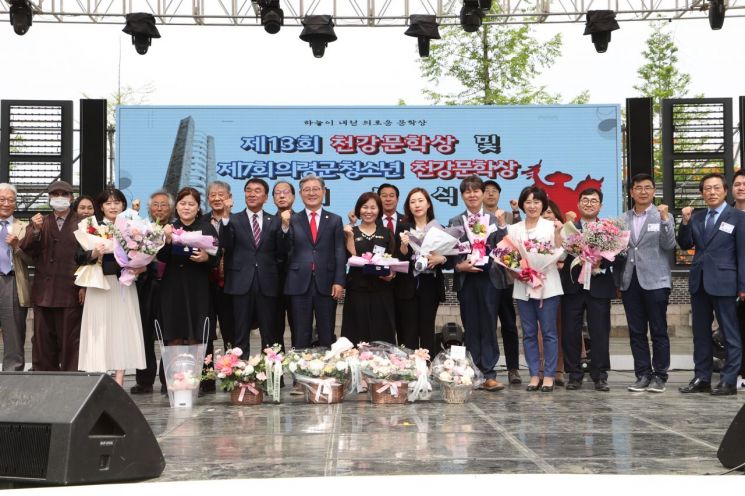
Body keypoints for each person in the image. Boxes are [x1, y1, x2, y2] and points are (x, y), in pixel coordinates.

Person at [677, 172, 745, 396]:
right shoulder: (697, 217)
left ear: (725, 191)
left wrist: (742, 286)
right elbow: (685, 244)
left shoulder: (737, 217)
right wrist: (684, 222)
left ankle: (729, 381)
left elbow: (742, 254)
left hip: (725, 283)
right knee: (700, 334)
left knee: (729, 333)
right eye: (707, 188)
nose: (712, 192)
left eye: (716, 188)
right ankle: (702, 378)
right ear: (702, 193)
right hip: (699, 283)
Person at [76, 188, 146, 386]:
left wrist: (140, 267)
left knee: (122, 329)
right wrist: (94, 253)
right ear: (101, 207)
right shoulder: (91, 226)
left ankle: (119, 379)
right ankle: (99, 377)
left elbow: (144, 254)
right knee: (99, 330)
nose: (113, 206)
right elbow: (78, 257)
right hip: (99, 285)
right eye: (108, 203)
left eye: (117, 202)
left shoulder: (133, 226)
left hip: (124, 284)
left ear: (123, 206)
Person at [447, 175, 508, 391]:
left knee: (489, 325)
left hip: (490, 278)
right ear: (462, 196)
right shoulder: (455, 221)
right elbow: (450, 252)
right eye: (467, 191)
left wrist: (503, 227)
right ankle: (472, 372)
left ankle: (489, 374)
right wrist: (458, 266)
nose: (472, 195)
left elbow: (505, 248)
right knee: (470, 325)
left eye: (476, 191)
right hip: (467, 279)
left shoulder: (495, 219)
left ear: (483, 194)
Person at [560, 187, 622, 392]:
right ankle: (573, 374)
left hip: (599, 285)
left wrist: (600, 262)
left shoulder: (608, 229)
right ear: (578, 204)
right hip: (573, 287)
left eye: (593, 201)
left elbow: (618, 256)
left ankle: (600, 375)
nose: (589, 204)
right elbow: (561, 254)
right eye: (585, 200)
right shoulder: (569, 229)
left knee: (600, 332)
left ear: (600, 206)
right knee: (570, 332)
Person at [504, 186, 564, 392]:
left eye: (536, 202)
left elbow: (561, 253)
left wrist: (558, 233)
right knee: (528, 333)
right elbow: (509, 257)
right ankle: (533, 374)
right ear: (522, 205)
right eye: (528, 202)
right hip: (523, 286)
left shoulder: (551, 226)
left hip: (548, 286)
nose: (532, 206)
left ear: (543, 205)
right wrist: (516, 272)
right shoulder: (514, 229)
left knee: (549, 332)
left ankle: (549, 375)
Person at [620, 173, 675, 393]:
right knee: (636, 331)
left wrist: (665, 219)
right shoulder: (622, 219)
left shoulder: (663, 216)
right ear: (631, 192)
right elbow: (619, 251)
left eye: (647, 187)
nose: (643, 192)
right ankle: (642, 374)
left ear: (654, 191)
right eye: (638, 188)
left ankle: (660, 376)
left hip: (656, 281)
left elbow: (669, 245)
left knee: (659, 330)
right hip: (630, 281)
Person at [20, 180, 83, 371]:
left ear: (71, 198)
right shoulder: (41, 222)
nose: (59, 198)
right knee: (43, 341)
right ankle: (44, 377)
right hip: (44, 292)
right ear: (49, 198)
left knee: (71, 340)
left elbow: (89, 258)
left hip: (71, 290)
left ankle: (72, 378)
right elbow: (27, 249)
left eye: (64, 194)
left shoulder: (82, 222)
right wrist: (35, 230)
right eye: (55, 195)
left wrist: (84, 286)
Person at [221, 178, 286, 353]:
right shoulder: (233, 219)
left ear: (266, 197)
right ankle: (240, 370)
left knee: (269, 335)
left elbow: (282, 252)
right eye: (248, 190)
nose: (252, 194)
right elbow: (225, 245)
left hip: (267, 283)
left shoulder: (275, 221)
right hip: (240, 283)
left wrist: (285, 229)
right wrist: (225, 217)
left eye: (257, 191)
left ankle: (271, 370)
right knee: (240, 334)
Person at [282, 175, 346, 348]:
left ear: (324, 192)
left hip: (327, 282)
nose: (311, 193)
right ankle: (300, 365)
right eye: (307, 190)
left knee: (327, 332)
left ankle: (328, 365)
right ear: (300, 194)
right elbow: (284, 249)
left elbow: (340, 252)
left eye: (316, 189)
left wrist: (339, 281)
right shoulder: (292, 219)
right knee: (300, 333)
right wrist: (284, 227)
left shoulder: (335, 219)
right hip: (298, 281)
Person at [157, 187, 219, 346]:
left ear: (198, 208)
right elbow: (161, 257)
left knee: (197, 336)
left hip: (198, 287)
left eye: (191, 204)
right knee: (174, 334)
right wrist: (167, 240)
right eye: (183, 203)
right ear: (176, 206)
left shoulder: (207, 228)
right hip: (173, 286)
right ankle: (173, 363)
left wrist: (206, 257)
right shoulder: (168, 228)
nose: (186, 207)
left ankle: (199, 364)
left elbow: (217, 258)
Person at [131, 190, 173, 395]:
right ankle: (144, 380)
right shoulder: (140, 228)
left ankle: (168, 380)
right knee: (144, 334)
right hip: (146, 285)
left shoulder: (176, 229)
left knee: (169, 334)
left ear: (171, 209)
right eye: (155, 205)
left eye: (164, 205)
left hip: (170, 287)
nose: (159, 209)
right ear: (149, 208)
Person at [341, 192, 396, 344]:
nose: (369, 211)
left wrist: (391, 275)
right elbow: (350, 257)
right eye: (365, 207)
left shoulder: (386, 233)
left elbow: (393, 259)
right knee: (356, 334)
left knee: (382, 335)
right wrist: (350, 236)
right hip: (357, 290)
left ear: (379, 210)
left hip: (382, 291)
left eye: (373, 207)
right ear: (359, 209)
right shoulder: (351, 231)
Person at [397, 187, 446, 353]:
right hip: (408, 285)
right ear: (408, 207)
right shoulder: (402, 228)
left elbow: (448, 258)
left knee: (427, 329)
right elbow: (399, 257)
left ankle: (427, 364)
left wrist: (441, 259)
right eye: (412, 202)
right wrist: (404, 246)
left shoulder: (438, 228)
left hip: (430, 285)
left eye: (420, 201)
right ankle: (410, 366)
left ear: (428, 204)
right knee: (408, 331)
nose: (417, 205)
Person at [483, 179, 522, 385]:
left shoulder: (506, 215)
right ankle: (486, 369)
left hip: (505, 278)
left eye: (494, 191)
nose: (490, 194)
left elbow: (518, 235)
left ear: (499, 195)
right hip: (484, 278)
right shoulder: (477, 218)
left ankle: (513, 369)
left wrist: (516, 212)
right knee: (487, 326)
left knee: (509, 325)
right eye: (487, 191)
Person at [0, 183, 32, 371]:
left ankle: (12, 375)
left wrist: (16, 246)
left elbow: (32, 259)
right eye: (2, 199)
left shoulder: (24, 227)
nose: (6, 204)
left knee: (13, 331)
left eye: (11, 200)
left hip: (12, 281)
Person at [540, 199, 567, 386]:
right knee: (537, 331)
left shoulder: (563, 231)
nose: (546, 215)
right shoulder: (531, 232)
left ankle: (559, 368)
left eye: (549, 212)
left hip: (559, 286)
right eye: (543, 212)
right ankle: (540, 369)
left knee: (557, 328)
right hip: (536, 285)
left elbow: (566, 255)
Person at [205, 181, 235, 351]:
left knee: (230, 331)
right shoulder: (200, 222)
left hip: (230, 284)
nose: (217, 198)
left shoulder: (238, 220)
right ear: (208, 198)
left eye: (221, 195)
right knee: (205, 331)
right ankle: (206, 368)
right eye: (213, 195)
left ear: (229, 197)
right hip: (205, 284)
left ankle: (232, 365)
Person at [271, 180, 296, 349]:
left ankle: (300, 363)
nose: (281, 196)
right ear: (272, 198)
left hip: (298, 281)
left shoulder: (302, 220)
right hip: (273, 282)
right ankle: (275, 365)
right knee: (274, 329)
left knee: (299, 328)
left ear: (294, 196)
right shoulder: (267, 221)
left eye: (285, 192)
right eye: (277, 193)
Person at [732, 169, 745, 389]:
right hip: (729, 282)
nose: (741, 188)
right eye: (737, 184)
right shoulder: (725, 215)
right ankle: (739, 372)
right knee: (736, 330)